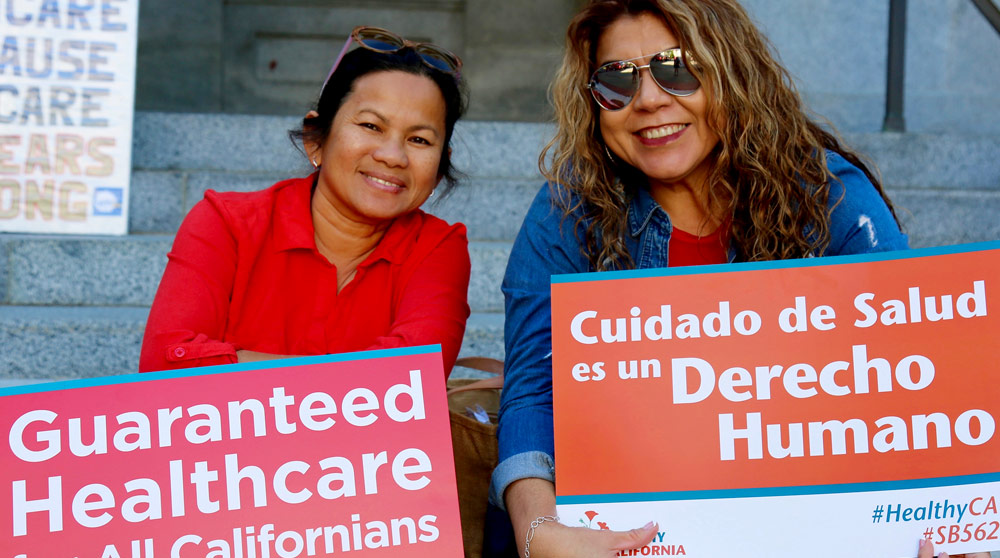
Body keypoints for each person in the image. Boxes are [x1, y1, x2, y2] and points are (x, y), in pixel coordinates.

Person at [491, 1, 919, 556]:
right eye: (616, 82)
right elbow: (534, 392)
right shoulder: (569, 210)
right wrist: (537, 534)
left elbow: (911, 380)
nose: (647, 100)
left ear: (732, 75)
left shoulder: (830, 198)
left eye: (679, 68)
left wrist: (951, 526)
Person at [139, 27, 470, 375]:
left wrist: (229, 366)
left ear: (439, 166)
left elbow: (413, 376)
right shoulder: (226, 222)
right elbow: (164, 364)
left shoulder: (438, 248)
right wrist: (354, 379)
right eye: (372, 126)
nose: (393, 156)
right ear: (316, 139)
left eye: (419, 140)